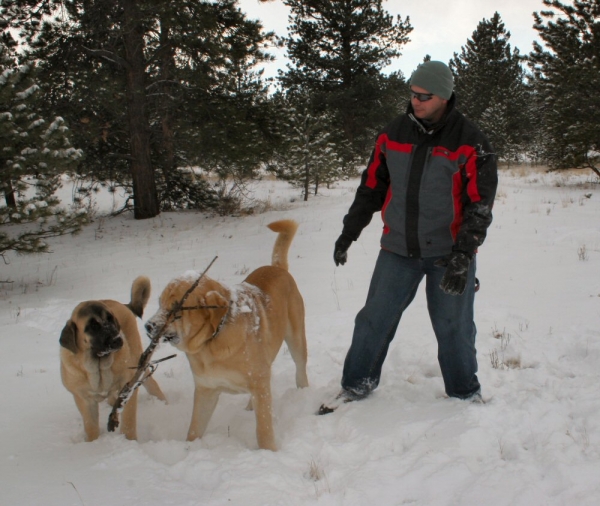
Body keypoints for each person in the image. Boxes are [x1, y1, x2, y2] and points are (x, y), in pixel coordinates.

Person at [318, 60, 498, 415]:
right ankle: (356, 385)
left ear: (444, 96)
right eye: (413, 94)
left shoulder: (471, 142)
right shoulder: (392, 134)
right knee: (373, 319)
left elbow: (480, 204)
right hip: (398, 249)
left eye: (424, 96)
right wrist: (348, 233)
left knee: (454, 327)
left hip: (448, 253)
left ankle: (465, 394)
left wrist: (464, 256)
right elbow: (371, 186)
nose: (416, 101)